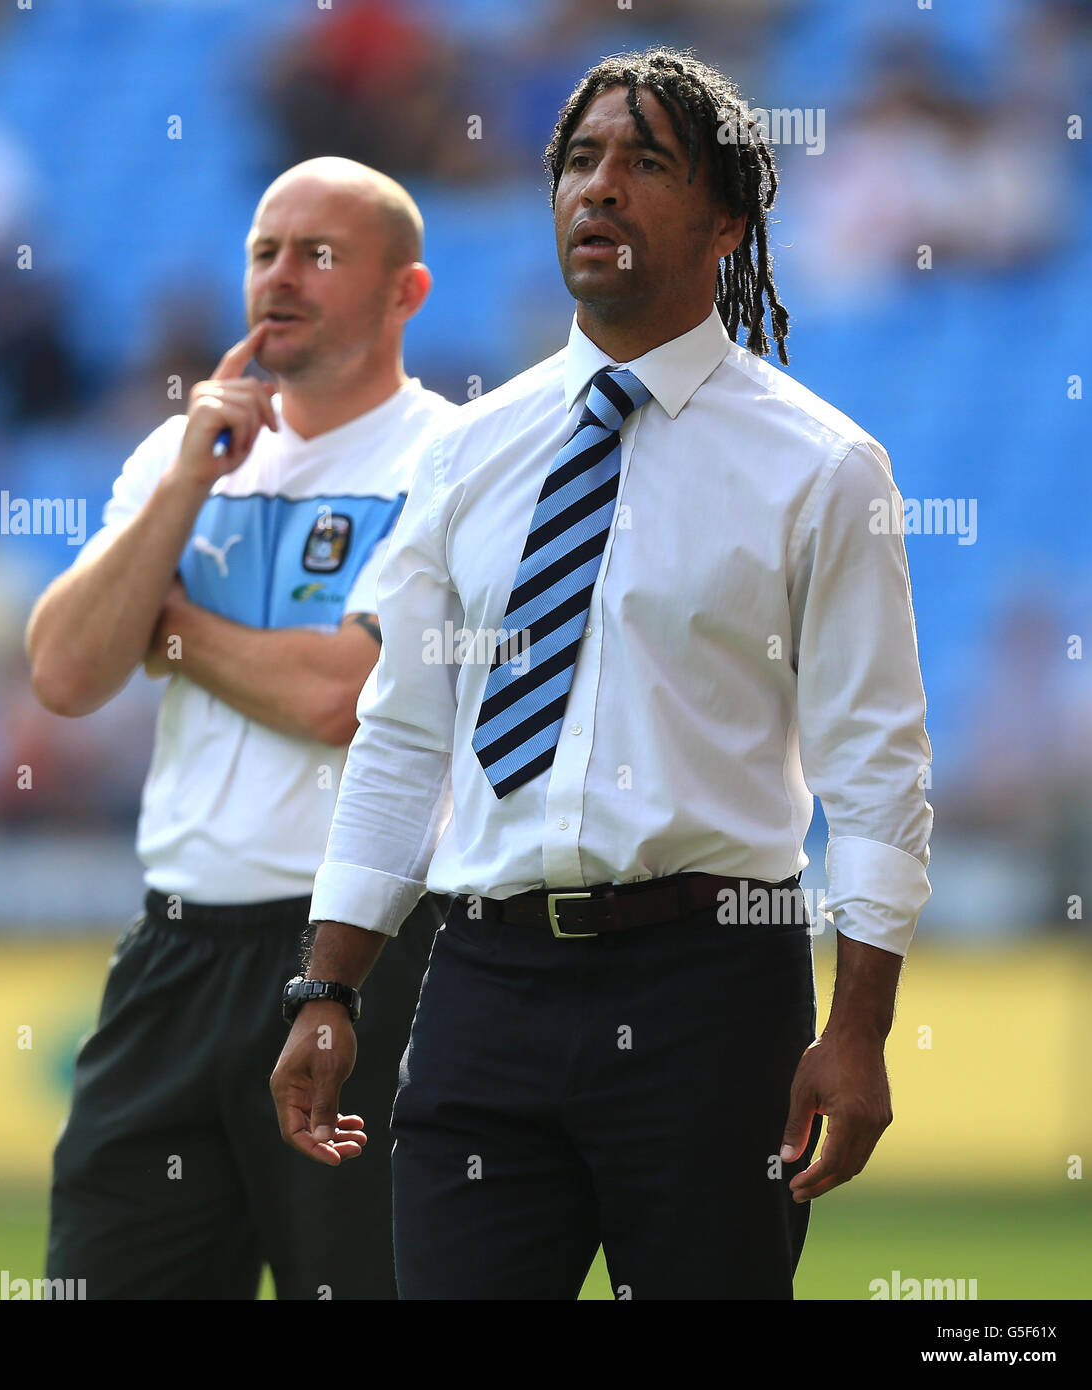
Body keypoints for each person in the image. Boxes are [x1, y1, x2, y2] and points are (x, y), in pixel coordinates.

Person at [270, 49, 933, 1300]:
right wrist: (328, 983)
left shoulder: (824, 468)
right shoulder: (468, 454)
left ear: (728, 217)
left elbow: (877, 767)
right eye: (580, 160)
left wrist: (857, 1030)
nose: (601, 190)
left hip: (712, 996)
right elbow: (404, 737)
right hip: (484, 993)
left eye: (646, 163)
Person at [26, 157, 456, 1299]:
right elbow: (67, 670)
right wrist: (181, 486)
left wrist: (164, 632)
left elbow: (344, 700)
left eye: (320, 253)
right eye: (265, 250)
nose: (281, 275)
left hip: (362, 957)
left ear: (403, 292)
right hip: (173, 953)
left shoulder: (452, 462)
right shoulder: (183, 458)